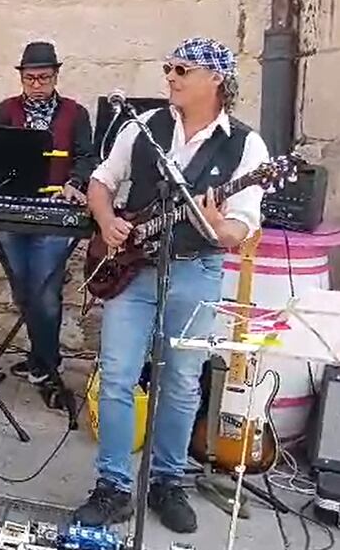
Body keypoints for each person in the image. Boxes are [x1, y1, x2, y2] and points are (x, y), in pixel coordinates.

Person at [72, 37, 269, 533]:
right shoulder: (143, 128)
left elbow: (240, 227)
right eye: (168, 68)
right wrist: (105, 221)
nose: (171, 77)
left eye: (182, 69)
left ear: (216, 79)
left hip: (195, 270)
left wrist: (215, 226)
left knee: (181, 383)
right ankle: (113, 486)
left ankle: (167, 480)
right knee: (117, 376)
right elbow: (102, 181)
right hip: (134, 270)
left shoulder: (247, 145)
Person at [0, 41, 95, 385]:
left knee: (46, 294)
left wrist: (77, 182)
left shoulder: (75, 113)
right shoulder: (6, 111)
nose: (37, 85)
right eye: (31, 78)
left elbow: (86, 156)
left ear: (56, 76)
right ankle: (40, 357)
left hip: (53, 213)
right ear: (21, 77)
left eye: (44, 78)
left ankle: (48, 362)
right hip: (13, 212)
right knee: (22, 290)